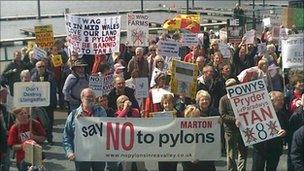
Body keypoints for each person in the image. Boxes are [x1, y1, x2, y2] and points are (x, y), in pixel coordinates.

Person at [63, 88, 107, 171]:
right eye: (88, 97)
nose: (90, 99)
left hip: (98, 152)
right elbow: (67, 135)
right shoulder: (73, 115)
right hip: (82, 153)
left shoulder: (101, 111)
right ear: (82, 98)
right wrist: (69, 152)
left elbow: (105, 128)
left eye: (92, 97)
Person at [250, 91, 288, 171]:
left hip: (274, 149)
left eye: (283, 100)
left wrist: (284, 132)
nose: (282, 102)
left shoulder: (283, 114)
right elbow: (249, 124)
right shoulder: (259, 113)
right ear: (271, 101)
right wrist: (239, 123)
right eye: (279, 100)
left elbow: (287, 129)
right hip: (260, 148)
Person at [182, 90, 217, 171]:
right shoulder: (191, 110)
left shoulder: (214, 113)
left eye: (198, 116)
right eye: (202, 99)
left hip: (206, 158)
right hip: (189, 159)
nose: (197, 118)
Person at [219, 78, 247, 171]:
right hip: (230, 129)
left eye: (234, 85)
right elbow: (223, 115)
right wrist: (235, 120)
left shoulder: (242, 97)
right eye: (230, 87)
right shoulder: (223, 99)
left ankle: (242, 169)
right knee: (231, 153)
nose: (232, 88)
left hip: (243, 128)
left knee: (243, 151)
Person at [115, 95, 146, 171]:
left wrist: (128, 109)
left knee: (141, 166)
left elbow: (136, 118)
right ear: (119, 104)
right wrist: (124, 110)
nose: (126, 102)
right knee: (126, 166)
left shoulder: (135, 111)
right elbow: (117, 121)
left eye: (127, 100)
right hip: (125, 144)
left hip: (136, 141)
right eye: (123, 101)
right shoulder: (117, 113)